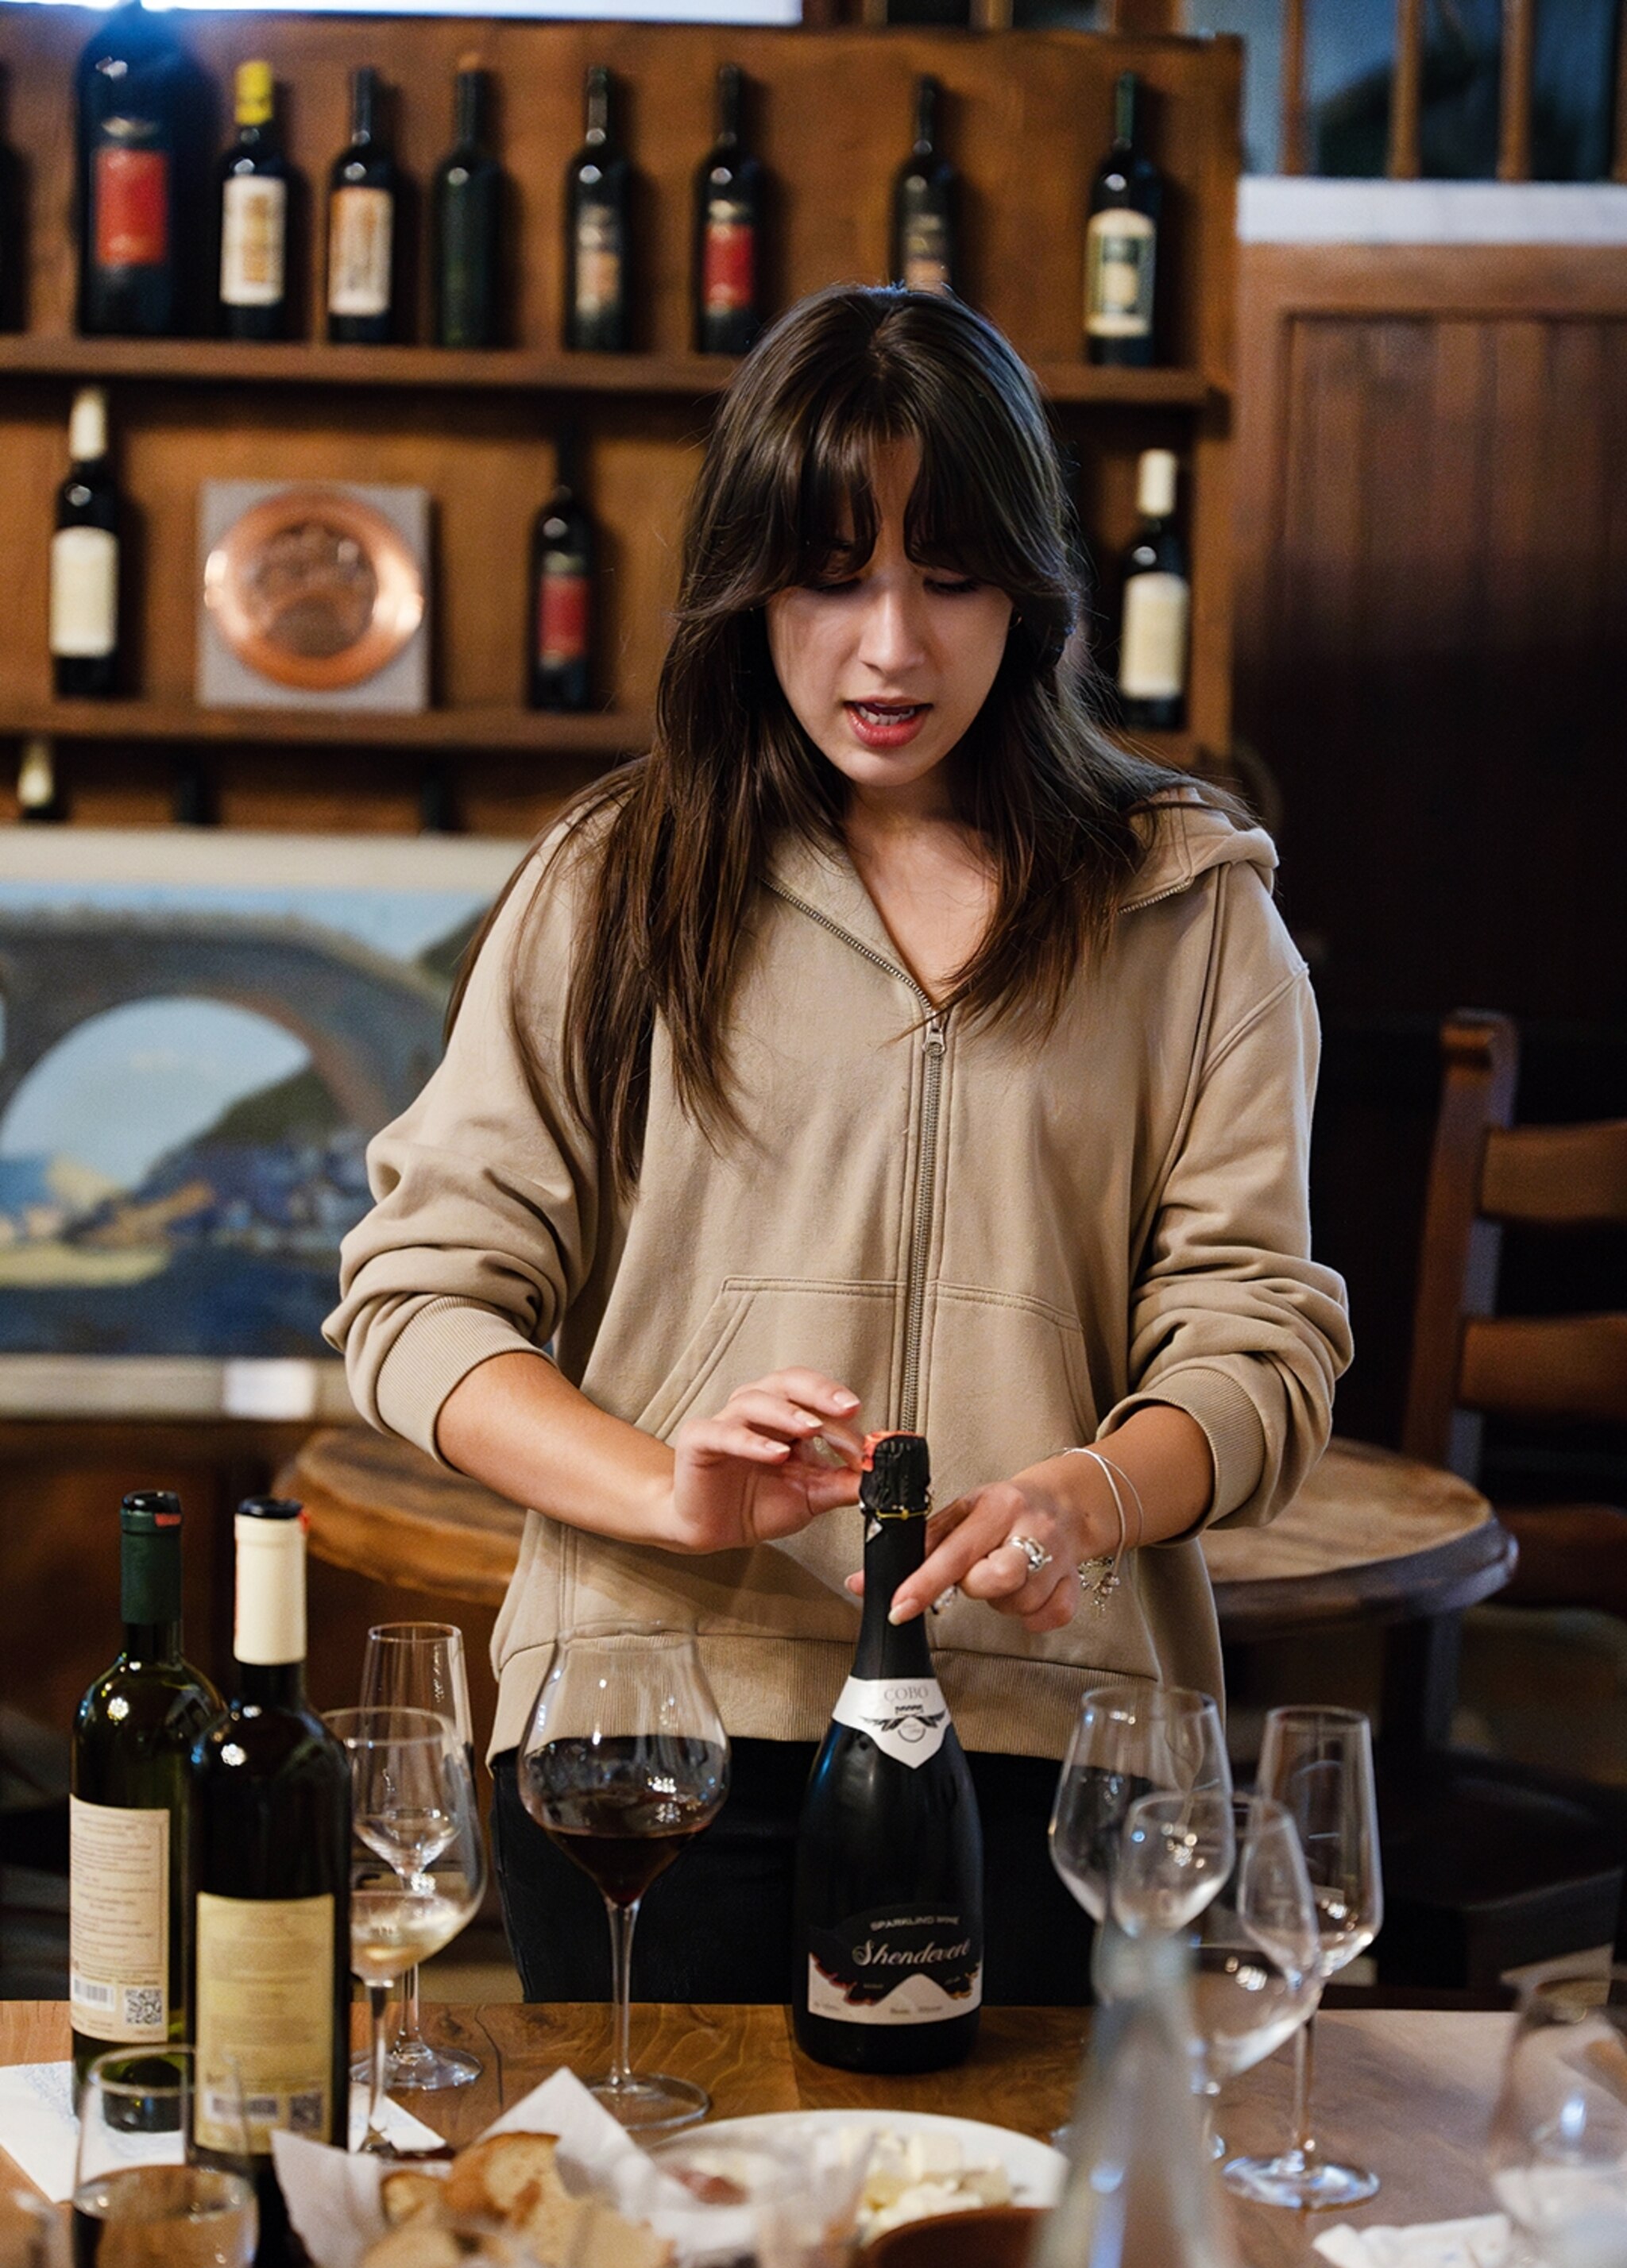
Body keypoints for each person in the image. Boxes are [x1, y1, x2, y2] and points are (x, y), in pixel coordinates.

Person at [327, 284, 1351, 2006]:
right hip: (655, 1730)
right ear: (747, 585)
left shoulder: (1191, 914)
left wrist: (1079, 1499)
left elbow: (1262, 1341)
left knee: (1002, 2257)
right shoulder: (615, 882)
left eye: (948, 577)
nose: (891, 648)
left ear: (1030, 589)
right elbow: (417, 1307)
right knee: (671, 2243)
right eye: (830, 574)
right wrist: (667, 1489)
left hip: (1059, 1730)